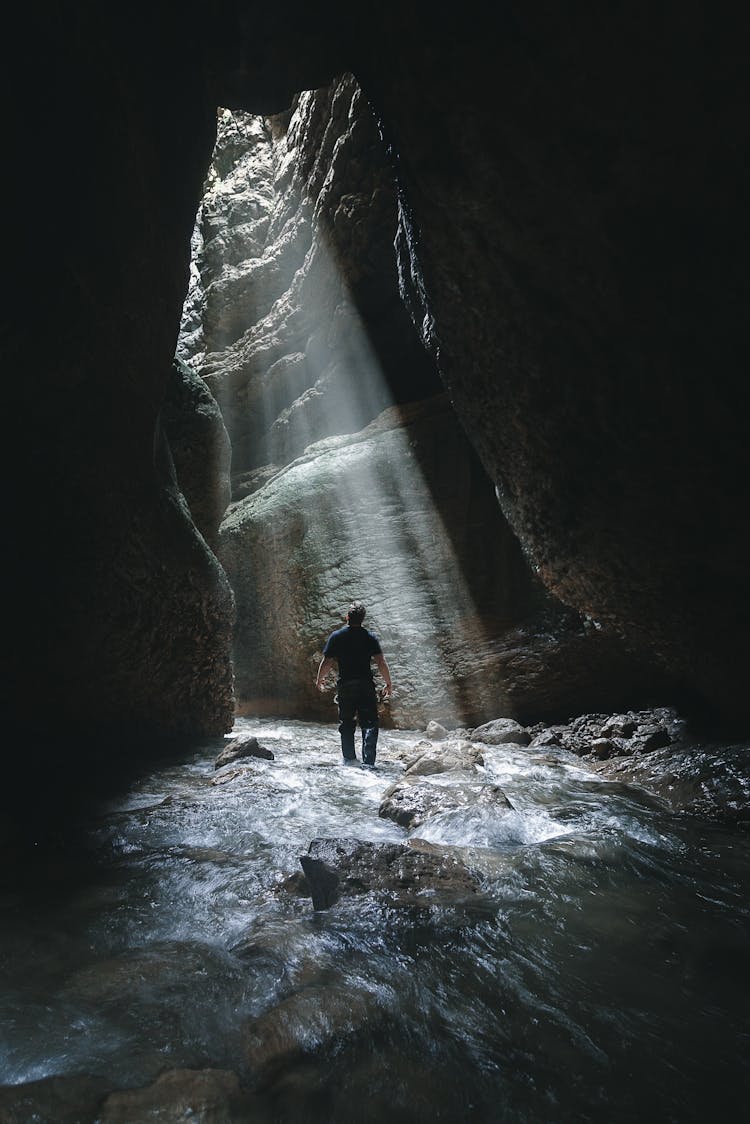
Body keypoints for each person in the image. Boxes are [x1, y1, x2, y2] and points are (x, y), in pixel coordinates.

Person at [316, 601, 392, 766]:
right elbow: (381, 662)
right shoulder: (370, 637)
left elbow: (327, 661)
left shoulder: (337, 636)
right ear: (362, 619)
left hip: (346, 686)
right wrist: (388, 683)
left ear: (347, 617)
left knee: (347, 723)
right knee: (370, 722)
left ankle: (349, 760)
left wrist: (319, 679)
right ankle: (369, 762)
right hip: (366, 685)